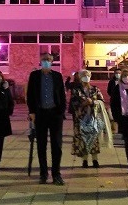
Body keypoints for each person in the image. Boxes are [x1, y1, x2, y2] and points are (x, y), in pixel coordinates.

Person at [26, 53, 67, 185]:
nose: (46, 62)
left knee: (57, 145)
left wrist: (61, 112)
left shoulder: (57, 76)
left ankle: (56, 174)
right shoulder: (35, 76)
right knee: (41, 145)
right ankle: (43, 173)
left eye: (48, 60)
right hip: (40, 114)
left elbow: (62, 94)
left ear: (52, 62)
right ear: (40, 61)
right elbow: (30, 95)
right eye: (44, 60)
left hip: (55, 114)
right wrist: (32, 112)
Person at [70, 69, 105, 168]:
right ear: (80, 78)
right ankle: (84, 160)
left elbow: (101, 100)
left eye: (88, 75)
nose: (86, 77)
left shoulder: (95, 89)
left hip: (93, 118)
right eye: (84, 75)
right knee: (83, 140)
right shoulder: (76, 90)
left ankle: (95, 160)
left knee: (94, 139)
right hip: (81, 118)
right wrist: (82, 104)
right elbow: (73, 103)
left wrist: (93, 102)